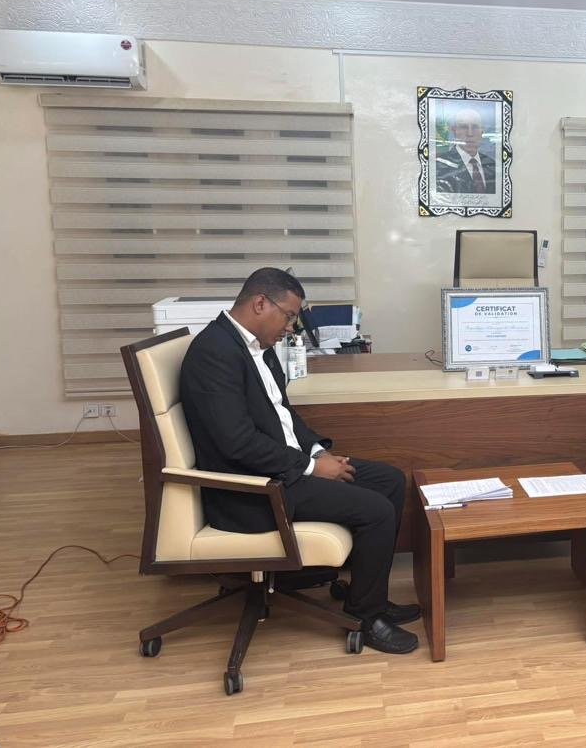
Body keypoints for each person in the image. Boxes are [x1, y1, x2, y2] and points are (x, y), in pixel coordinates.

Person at [179, 267, 420, 654]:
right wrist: (311, 468)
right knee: (375, 511)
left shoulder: (256, 347)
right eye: (289, 316)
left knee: (388, 480)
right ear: (260, 303)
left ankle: (370, 597)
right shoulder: (214, 353)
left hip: (284, 468)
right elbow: (236, 443)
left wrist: (317, 452)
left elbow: (284, 416)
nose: (292, 327)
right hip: (255, 489)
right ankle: (366, 618)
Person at [435, 106, 497, 194]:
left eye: (475, 127)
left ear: (482, 132)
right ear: (454, 131)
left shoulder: (493, 166)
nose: (470, 133)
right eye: (464, 127)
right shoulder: (439, 166)